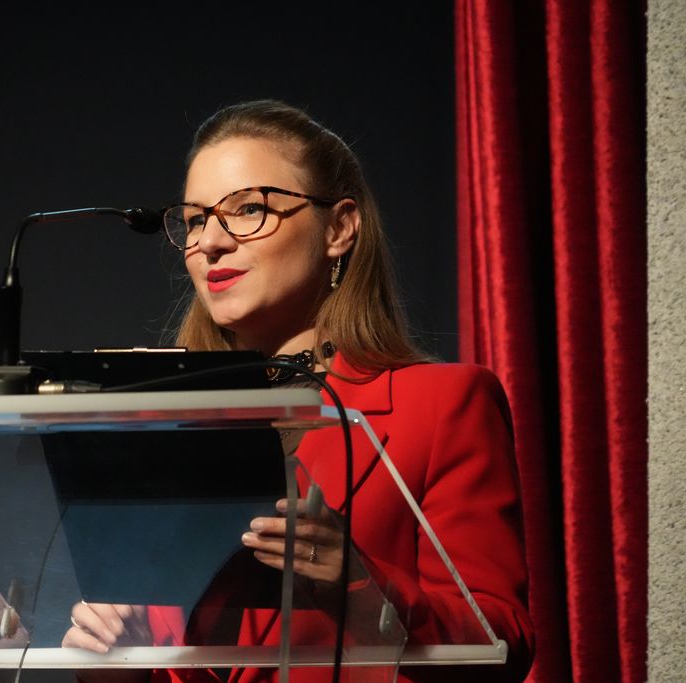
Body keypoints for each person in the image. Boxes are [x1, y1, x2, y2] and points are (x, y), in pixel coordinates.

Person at [61, 100, 534, 683]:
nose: (210, 242)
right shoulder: (167, 425)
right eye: (196, 219)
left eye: (248, 209)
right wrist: (123, 668)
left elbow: (501, 644)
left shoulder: (444, 405)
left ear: (339, 228)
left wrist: (359, 587)